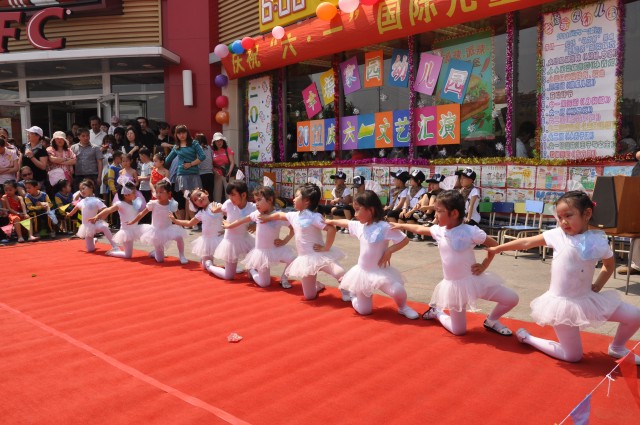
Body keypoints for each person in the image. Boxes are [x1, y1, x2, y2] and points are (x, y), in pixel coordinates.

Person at [488, 191, 640, 363]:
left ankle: (617, 347)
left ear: (587, 214)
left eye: (568, 215)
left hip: (588, 300)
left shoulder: (597, 240)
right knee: (572, 356)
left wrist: (597, 285)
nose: (563, 221)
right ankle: (527, 338)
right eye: (559, 217)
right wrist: (498, 248)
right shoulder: (557, 235)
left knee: (635, 315)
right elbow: (526, 242)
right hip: (562, 305)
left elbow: (609, 265)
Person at [392, 190, 519, 336]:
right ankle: (437, 312)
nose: (435, 215)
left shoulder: (472, 232)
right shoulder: (439, 231)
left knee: (512, 298)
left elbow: (494, 246)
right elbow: (420, 229)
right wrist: (400, 225)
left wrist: (484, 265)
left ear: (454, 213)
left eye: (439, 211)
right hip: (454, 287)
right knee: (459, 331)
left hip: (475, 281)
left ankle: (492, 321)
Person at [326, 190, 419, 319]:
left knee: (398, 290)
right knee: (364, 311)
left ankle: (403, 307)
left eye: (358, 210)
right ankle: (353, 296)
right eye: (354, 210)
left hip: (380, 272)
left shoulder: (385, 227)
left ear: (371, 209)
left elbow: (404, 240)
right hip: (362, 273)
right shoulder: (360, 226)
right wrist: (331, 222)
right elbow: (346, 223)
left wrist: (389, 250)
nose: (355, 214)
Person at [260, 183, 348, 301]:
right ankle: (318, 286)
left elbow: (331, 229)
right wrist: (268, 217)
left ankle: (347, 290)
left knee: (339, 272)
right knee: (309, 296)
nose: (293, 199)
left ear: (306, 201)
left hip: (319, 255)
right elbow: (280, 215)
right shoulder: (294, 215)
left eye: (297, 197)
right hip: (305, 260)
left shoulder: (314, 217)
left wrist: (326, 248)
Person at [223, 185, 295, 289]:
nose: (256, 204)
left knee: (293, 259)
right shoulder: (256, 214)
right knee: (264, 283)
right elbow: (242, 220)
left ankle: (284, 278)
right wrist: (229, 226)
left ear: (270, 200)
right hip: (262, 253)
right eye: (255, 201)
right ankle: (252, 270)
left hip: (275, 250)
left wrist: (284, 241)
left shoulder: (278, 216)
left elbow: (293, 229)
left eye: (259, 200)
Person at [129, 180, 188, 264]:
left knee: (179, 237)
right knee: (160, 260)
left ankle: (182, 255)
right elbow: (142, 214)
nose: (158, 194)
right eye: (157, 192)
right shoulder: (153, 204)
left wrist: (180, 225)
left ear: (169, 193)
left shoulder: (172, 204)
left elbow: (178, 215)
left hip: (168, 229)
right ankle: (154, 253)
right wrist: (133, 221)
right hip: (156, 231)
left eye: (161, 192)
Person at [208, 180, 256, 280]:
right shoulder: (229, 203)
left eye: (233, 195)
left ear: (243, 195)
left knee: (252, 276)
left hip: (246, 240)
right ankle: (210, 266)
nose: (230, 198)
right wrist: (214, 210)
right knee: (228, 276)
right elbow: (221, 209)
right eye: (229, 195)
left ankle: (251, 270)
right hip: (230, 242)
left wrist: (255, 225)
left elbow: (263, 217)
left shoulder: (252, 207)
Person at [89, 180, 146, 259]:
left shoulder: (135, 202)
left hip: (135, 229)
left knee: (129, 254)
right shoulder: (120, 204)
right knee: (128, 255)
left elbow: (139, 214)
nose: (136, 194)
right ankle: (112, 252)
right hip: (126, 232)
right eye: (133, 193)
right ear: (126, 195)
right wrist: (97, 216)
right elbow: (108, 210)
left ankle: (155, 252)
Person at [170, 188, 223, 270]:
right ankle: (208, 263)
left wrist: (227, 229)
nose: (199, 198)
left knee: (226, 254)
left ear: (206, 193)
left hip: (220, 238)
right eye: (195, 200)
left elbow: (231, 214)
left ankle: (230, 267)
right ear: (196, 205)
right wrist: (175, 220)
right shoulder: (201, 213)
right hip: (207, 241)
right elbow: (189, 223)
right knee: (206, 265)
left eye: (199, 195)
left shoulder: (218, 205)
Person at [65, 179, 118, 253]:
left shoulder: (96, 200)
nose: (82, 191)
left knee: (104, 227)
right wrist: (69, 214)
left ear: (91, 188)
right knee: (90, 250)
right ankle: (93, 240)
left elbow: (105, 210)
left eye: (83, 188)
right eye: (80, 189)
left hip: (95, 223)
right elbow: (75, 209)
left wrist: (100, 219)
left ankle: (115, 246)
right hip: (86, 227)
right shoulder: (82, 201)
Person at [165, 125, 205, 220]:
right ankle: (191, 220)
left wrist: (191, 164)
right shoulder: (176, 147)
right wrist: (157, 165)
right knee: (189, 197)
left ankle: (188, 220)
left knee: (193, 197)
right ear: (176, 135)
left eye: (183, 132)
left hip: (194, 173)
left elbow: (202, 156)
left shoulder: (194, 143)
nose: (182, 135)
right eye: (179, 133)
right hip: (182, 174)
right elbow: (167, 160)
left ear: (187, 133)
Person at [398, 170, 427, 241]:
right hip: (409, 209)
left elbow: (420, 204)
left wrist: (410, 212)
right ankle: (401, 235)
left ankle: (416, 234)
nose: (410, 180)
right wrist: (404, 209)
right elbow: (407, 201)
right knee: (401, 215)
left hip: (418, 211)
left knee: (410, 216)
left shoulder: (423, 191)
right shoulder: (410, 189)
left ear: (418, 181)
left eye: (412, 179)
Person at [211, 132, 236, 203]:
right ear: (214, 142)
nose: (219, 142)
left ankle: (230, 212)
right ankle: (217, 212)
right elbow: (210, 164)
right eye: (217, 141)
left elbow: (232, 162)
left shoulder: (227, 149)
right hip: (217, 175)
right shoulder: (212, 151)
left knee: (229, 194)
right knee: (216, 195)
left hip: (228, 174)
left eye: (220, 140)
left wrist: (229, 172)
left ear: (223, 141)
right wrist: (214, 171)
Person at [195, 133, 215, 202]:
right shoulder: (209, 148)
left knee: (202, 193)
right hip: (210, 173)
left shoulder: (197, 149)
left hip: (201, 174)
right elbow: (212, 158)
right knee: (210, 193)